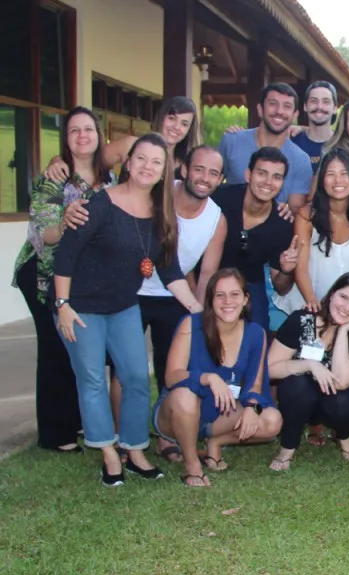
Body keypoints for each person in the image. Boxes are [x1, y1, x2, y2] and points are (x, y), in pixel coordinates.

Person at [52, 133, 203, 486]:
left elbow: (169, 271)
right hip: (80, 307)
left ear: (164, 171)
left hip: (123, 306)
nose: (148, 166)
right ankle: (108, 453)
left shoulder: (161, 214)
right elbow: (66, 255)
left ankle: (134, 451)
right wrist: (62, 305)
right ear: (129, 163)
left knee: (136, 377)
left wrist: (197, 309)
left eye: (156, 161)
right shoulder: (100, 204)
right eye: (141, 158)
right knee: (92, 379)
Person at [12, 107, 114, 453]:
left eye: (88, 129)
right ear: (66, 138)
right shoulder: (54, 179)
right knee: (55, 348)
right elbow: (44, 234)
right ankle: (56, 434)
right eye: (74, 130)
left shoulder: (109, 179)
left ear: (99, 135)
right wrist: (65, 221)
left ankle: (78, 419)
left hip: (80, 277)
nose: (82, 136)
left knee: (77, 346)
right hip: (42, 273)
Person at [153, 268, 281, 486]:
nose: (227, 301)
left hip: (219, 414)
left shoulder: (255, 333)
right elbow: (172, 377)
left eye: (235, 294)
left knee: (272, 421)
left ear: (245, 299)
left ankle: (215, 442)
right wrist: (208, 378)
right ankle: (192, 466)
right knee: (185, 395)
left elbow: (256, 384)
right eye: (220, 295)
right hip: (176, 414)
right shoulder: (191, 324)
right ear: (211, 300)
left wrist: (252, 408)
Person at [267, 272, 349, 470]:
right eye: (343, 297)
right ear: (332, 294)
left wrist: (342, 332)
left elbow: (342, 381)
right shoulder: (301, 320)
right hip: (303, 396)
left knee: (345, 401)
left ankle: (344, 435)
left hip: (341, 399)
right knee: (296, 384)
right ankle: (287, 447)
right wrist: (309, 365)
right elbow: (270, 369)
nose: (347, 308)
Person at [274, 148, 349, 314]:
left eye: (344, 174)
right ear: (322, 179)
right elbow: (301, 268)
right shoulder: (306, 215)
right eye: (330, 174)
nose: (338, 180)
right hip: (306, 302)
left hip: (347, 307)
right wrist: (312, 302)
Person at [212, 147, 301, 331]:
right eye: (262, 173)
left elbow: (281, 288)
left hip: (250, 284)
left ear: (282, 183)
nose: (268, 182)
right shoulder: (220, 198)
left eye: (276, 177)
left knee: (258, 332)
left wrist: (287, 270)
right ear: (248, 175)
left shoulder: (282, 224)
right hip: (210, 275)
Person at [45, 96, 201, 182]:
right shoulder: (131, 144)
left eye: (184, 124)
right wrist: (58, 160)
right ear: (161, 117)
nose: (176, 127)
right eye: (172, 118)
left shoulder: (186, 166)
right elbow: (89, 159)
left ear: (189, 130)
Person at [218, 83, 313, 211]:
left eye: (287, 106)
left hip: (273, 223)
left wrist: (289, 211)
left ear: (294, 115)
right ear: (260, 109)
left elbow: (296, 210)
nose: (279, 111)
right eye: (273, 104)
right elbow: (211, 185)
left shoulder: (301, 160)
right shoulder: (232, 142)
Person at [291, 81, 340, 173]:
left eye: (326, 102)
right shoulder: (291, 141)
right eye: (314, 101)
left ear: (335, 108)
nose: (319, 106)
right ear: (305, 106)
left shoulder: (342, 145)